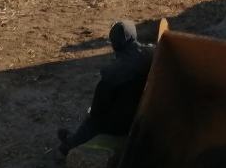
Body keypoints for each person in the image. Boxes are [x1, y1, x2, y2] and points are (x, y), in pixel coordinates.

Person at [57, 20, 155, 154]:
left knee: (93, 121)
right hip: (146, 114)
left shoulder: (112, 72)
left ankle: (70, 144)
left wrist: (93, 114)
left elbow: (97, 109)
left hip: (122, 124)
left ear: (114, 44)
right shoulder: (152, 53)